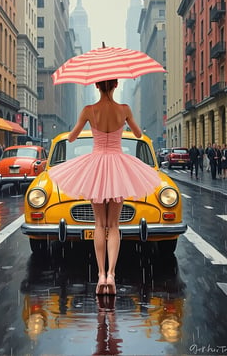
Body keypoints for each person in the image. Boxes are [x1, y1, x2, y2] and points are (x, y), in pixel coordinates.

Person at [48, 79, 161, 295]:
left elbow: (71, 138)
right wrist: (124, 122)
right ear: (116, 85)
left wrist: (84, 126)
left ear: (97, 86)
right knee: (114, 225)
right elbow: (139, 135)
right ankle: (112, 275)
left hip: (97, 166)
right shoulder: (124, 109)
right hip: (118, 166)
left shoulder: (89, 110)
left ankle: (100, 275)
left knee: (99, 224)